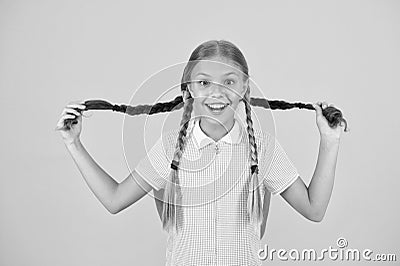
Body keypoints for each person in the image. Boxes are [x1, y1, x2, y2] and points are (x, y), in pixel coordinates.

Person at [55, 40, 345, 265]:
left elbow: (314, 208)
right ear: (188, 91)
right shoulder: (170, 148)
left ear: (245, 88)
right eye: (204, 82)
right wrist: (74, 144)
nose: (216, 93)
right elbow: (115, 199)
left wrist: (329, 142)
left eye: (229, 81)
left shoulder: (263, 148)